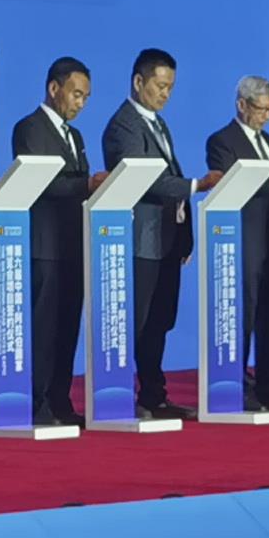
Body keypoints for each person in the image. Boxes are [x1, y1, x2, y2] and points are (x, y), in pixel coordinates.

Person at [100, 49, 194, 408]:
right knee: (138, 322)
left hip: (167, 238)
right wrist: (197, 185)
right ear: (139, 82)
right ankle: (122, 395)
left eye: (170, 87)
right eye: (160, 85)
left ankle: (154, 395)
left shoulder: (158, 123)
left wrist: (185, 237)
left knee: (160, 320)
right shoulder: (124, 125)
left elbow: (170, 179)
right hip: (141, 240)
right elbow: (147, 181)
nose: (165, 93)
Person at [203, 75, 269, 404]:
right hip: (245, 238)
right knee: (244, 312)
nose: (267, 116)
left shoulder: (268, 141)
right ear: (242, 105)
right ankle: (238, 385)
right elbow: (229, 185)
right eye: (262, 109)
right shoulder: (222, 141)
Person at [12, 57, 95, 427]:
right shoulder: (29, 128)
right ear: (53, 88)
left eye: (86, 97)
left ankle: (60, 400)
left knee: (67, 327)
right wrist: (86, 184)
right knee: (43, 329)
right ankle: (36, 403)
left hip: (73, 244)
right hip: (44, 245)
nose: (81, 103)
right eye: (76, 94)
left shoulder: (75, 137)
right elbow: (39, 183)